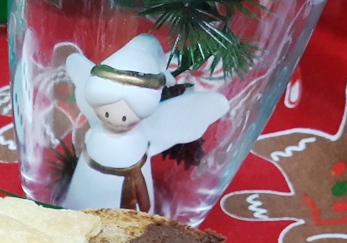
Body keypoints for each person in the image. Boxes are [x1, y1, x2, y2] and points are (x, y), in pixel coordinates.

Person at [63, 34, 228, 212]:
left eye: (126, 116)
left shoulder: (144, 132)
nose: (117, 120)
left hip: (131, 191)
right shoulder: (97, 127)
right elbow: (75, 65)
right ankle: (76, 210)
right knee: (81, 201)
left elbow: (194, 113)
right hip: (87, 182)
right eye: (108, 112)